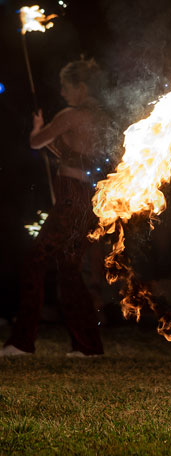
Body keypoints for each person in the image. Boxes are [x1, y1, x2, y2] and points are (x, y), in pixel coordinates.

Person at [1, 58, 112, 358]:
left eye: (66, 86)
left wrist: (38, 127)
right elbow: (69, 153)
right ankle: (88, 347)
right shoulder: (99, 119)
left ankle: (21, 342)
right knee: (69, 270)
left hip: (71, 199)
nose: (62, 92)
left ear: (81, 87)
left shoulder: (70, 115)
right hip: (86, 199)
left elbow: (37, 143)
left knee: (35, 262)